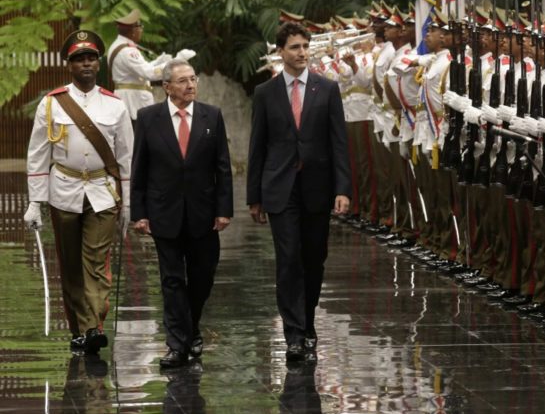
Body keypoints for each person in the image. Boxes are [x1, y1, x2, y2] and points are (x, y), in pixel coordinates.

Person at [247, 21, 351, 362]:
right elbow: (257, 145)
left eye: (305, 46)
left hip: (317, 187)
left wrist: (343, 189)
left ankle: (307, 322)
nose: (302, 52)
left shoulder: (327, 89)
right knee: (288, 258)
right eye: (294, 47)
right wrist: (254, 197)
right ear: (281, 52)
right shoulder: (266, 93)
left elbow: (339, 143)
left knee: (313, 259)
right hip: (280, 188)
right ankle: (293, 332)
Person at [24, 29, 133, 355]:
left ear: (98, 63)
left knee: (96, 262)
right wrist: (35, 201)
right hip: (64, 191)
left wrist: (129, 204)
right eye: (79, 59)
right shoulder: (51, 103)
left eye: (91, 58)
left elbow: (126, 157)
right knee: (70, 264)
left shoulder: (115, 105)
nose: (86, 64)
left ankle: (93, 327)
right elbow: (38, 154)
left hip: (102, 191)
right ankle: (79, 329)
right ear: (69, 65)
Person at [131, 59, 233, 369]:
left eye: (193, 79)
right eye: (183, 81)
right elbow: (140, 168)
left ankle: (191, 327)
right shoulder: (149, 118)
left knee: (203, 276)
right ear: (167, 87)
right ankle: (177, 344)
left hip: (204, 212)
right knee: (172, 280)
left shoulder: (211, 116)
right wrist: (139, 213)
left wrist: (224, 209)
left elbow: (222, 167)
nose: (190, 85)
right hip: (164, 212)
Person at [108, 8, 175, 121]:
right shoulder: (128, 51)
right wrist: (172, 64)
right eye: (140, 27)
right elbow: (148, 73)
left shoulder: (119, 45)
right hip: (133, 101)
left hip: (130, 97)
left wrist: (159, 61)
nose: (141, 30)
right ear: (133, 31)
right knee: (137, 130)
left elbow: (140, 68)